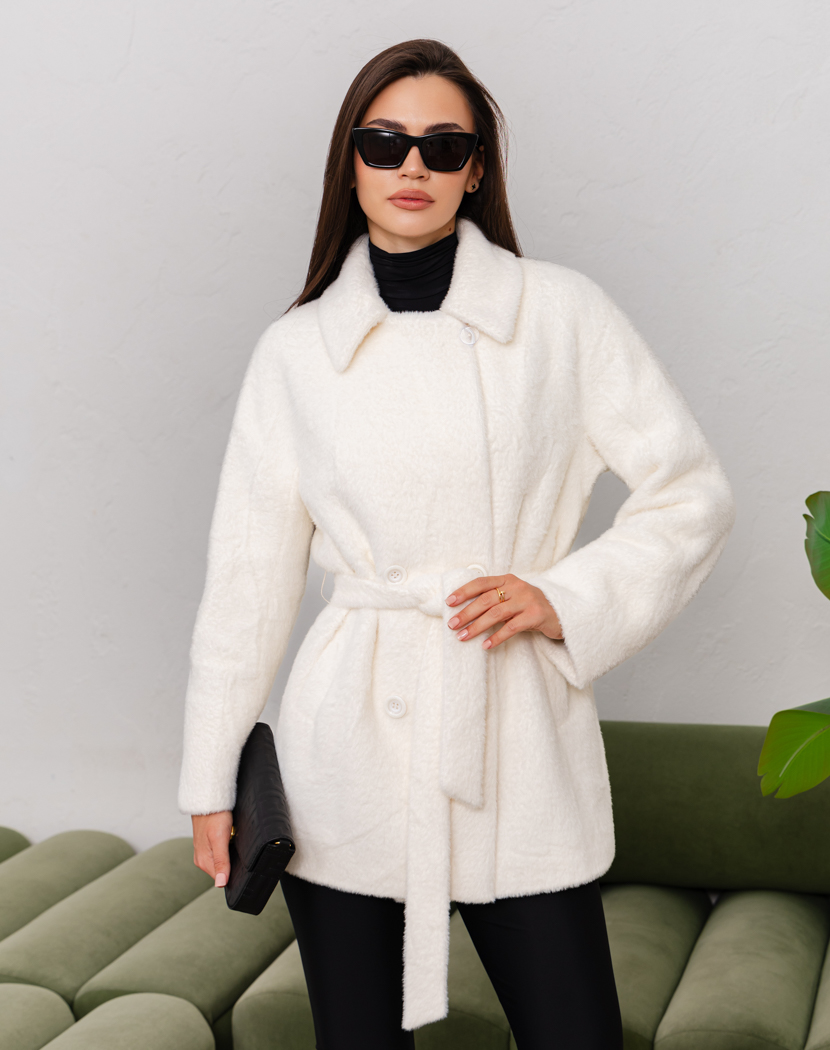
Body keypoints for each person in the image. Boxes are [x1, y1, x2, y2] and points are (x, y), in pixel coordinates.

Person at [178, 38, 735, 1050]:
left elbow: (689, 491)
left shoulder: (559, 315)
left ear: (476, 169)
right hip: (344, 749)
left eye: (443, 147)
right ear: (349, 162)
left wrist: (566, 596)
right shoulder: (295, 352)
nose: (412, 167)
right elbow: (247, 583)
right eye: (383, 142)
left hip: (513, 735)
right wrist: (209, 780)